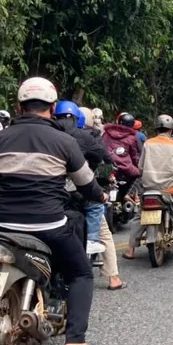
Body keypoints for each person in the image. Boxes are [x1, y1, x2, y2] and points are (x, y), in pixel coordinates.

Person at [0, 77, 107, 345]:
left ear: (18, 107)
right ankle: (76, 338)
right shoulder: (65, 141)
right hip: (49, 226)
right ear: (52, 108)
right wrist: (100, 196)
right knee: (81, 273)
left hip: (2, 226)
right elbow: (86, 184)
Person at [54, 101, 124, 291]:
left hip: (56, 194)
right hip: (83, 190)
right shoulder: (87, 137)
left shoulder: (49, 134)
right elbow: (104, 158)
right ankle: (113, 277)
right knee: (103, 232)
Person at [125, 114, 173, 259]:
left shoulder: (148, 143)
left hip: (149, 189)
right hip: (172, 189)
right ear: (171, 130)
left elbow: (140, 167)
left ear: (156, 129)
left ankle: (130, 250)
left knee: (139, 215)